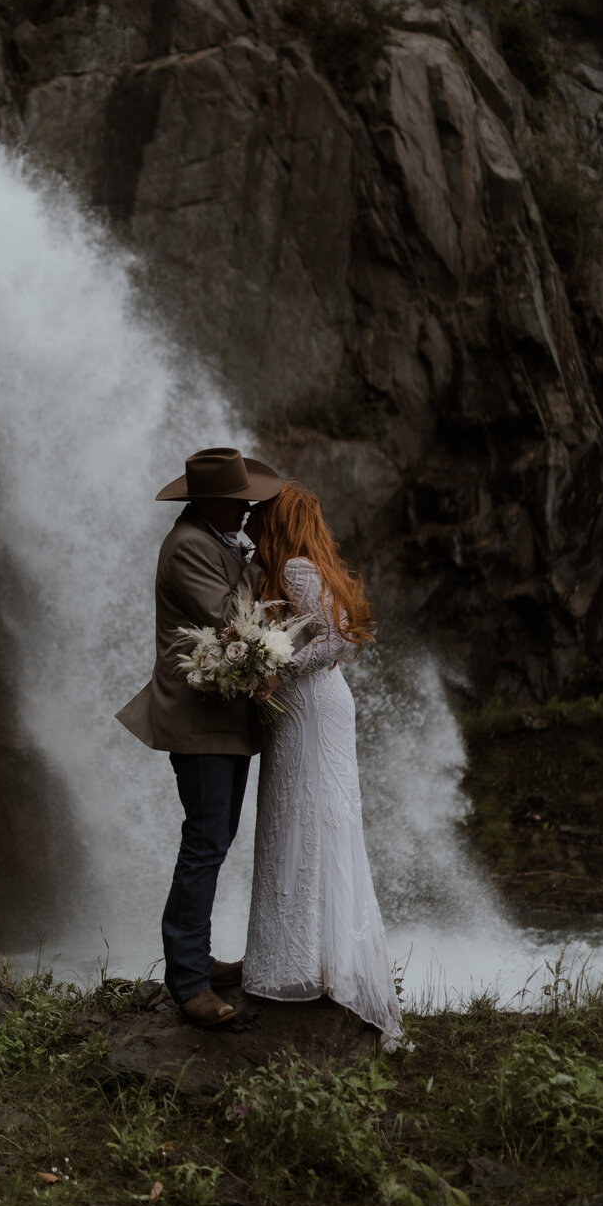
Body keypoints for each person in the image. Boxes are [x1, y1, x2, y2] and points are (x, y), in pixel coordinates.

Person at [116, 447, 283, 1029]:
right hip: (201, 720)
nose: (245, 511)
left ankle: (198, 960)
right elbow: (231, 616)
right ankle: (188, 982)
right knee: (206, 842)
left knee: (212, 838)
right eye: (236, 504)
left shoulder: (218, 540)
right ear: (207, 501)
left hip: (220, 721)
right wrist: (273, 569)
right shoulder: (189, 545)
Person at [243, 480, 404, 1051]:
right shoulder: (309, 567)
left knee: (305, 819)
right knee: (314, 819)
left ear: (282, 520)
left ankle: (310, 961)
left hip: (311, 708)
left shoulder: (294, 570)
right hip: (322, 705)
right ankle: (318, 957)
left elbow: (335, 640)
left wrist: (274, 672)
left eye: (263, 513)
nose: (254, 521)